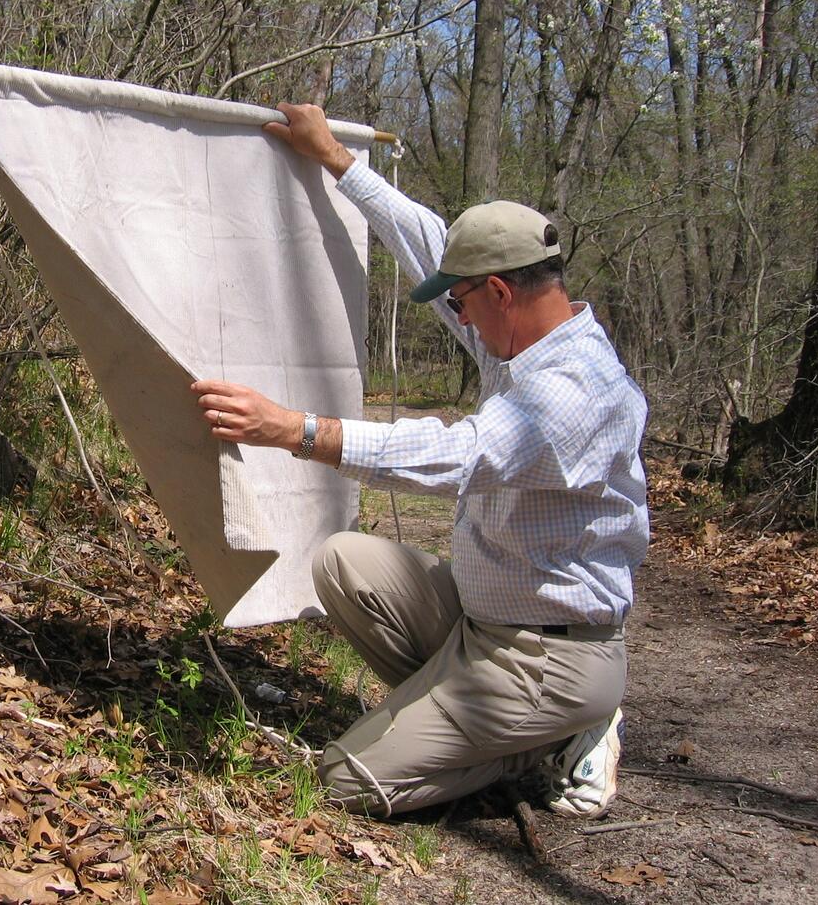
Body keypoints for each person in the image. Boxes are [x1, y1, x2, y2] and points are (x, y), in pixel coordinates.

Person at [191, 103, 648, 819]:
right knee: (344, 564)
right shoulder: (518, 334)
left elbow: (460, 455)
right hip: (482, 621)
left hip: (548, 656)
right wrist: (340, 162)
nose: (456, 318)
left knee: (342, 784)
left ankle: (543, 738)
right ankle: (477, 723)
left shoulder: (573, 391)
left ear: (499, 292)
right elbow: (430, 239)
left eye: (462, 303)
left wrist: (294, 430)